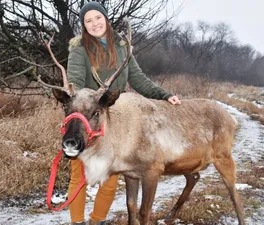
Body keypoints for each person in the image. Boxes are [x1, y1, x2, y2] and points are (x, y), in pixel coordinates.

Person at [66, 2, 181, 225]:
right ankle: (77, 222)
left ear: (106, 19)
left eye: (97, 18)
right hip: (89, 117)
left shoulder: (121, 47)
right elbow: (76, 84)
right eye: (88, 21)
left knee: (112, 175)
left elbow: (137, 78)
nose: (94, 24)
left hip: (118, 118)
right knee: (79, 173)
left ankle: (97, 220)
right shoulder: (79, 50)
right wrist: (84, 104)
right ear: (83, 25)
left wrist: (164, 95)